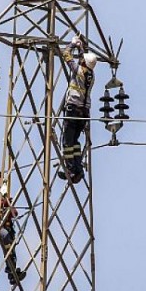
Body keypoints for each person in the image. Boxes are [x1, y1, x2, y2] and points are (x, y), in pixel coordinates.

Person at [59, 35, 97, 183]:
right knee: (75, 141)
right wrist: (81, 47)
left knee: (68, 142)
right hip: (84, 112)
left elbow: (66, 54)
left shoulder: (78, 70)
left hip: (73, 109)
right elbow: (85, 59)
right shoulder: (91, 74)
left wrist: (73, 44)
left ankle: (71, 169)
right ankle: (78, 169)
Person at [0, 169, 26, 285]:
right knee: (7, 239)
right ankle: (11, 270)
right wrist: (3, 203)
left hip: (8, 225)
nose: (1, 178)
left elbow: (14, 213)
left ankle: (12, 272)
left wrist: (11, 207)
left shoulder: (2, 195)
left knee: (11, 247)